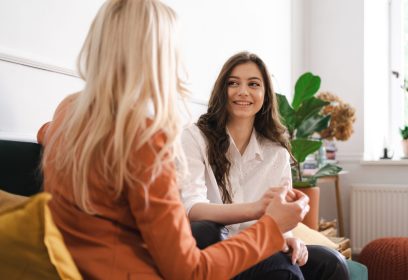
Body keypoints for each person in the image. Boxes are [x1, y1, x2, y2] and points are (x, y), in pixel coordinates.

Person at [37, 1, 310, 279]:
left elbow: (48, 133)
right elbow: (191, 271)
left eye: (253, 84)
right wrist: (272, 227)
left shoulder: (68, 112)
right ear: (157, 57)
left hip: (84, 267)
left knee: (323, 263)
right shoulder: (146, 139)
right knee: (283, 270)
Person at [180, 51, 350, 280]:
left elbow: (282, 221)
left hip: (263, 244)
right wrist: (258, 209)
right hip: (218, 250)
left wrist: (287, 237)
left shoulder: (276, 151)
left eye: (253, 84)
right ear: (222, 90)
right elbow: (192, 208)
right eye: (233, 83)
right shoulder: (195, 138)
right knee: (281, 268)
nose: (243, 92)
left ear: (265, 95)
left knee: (332, 263)